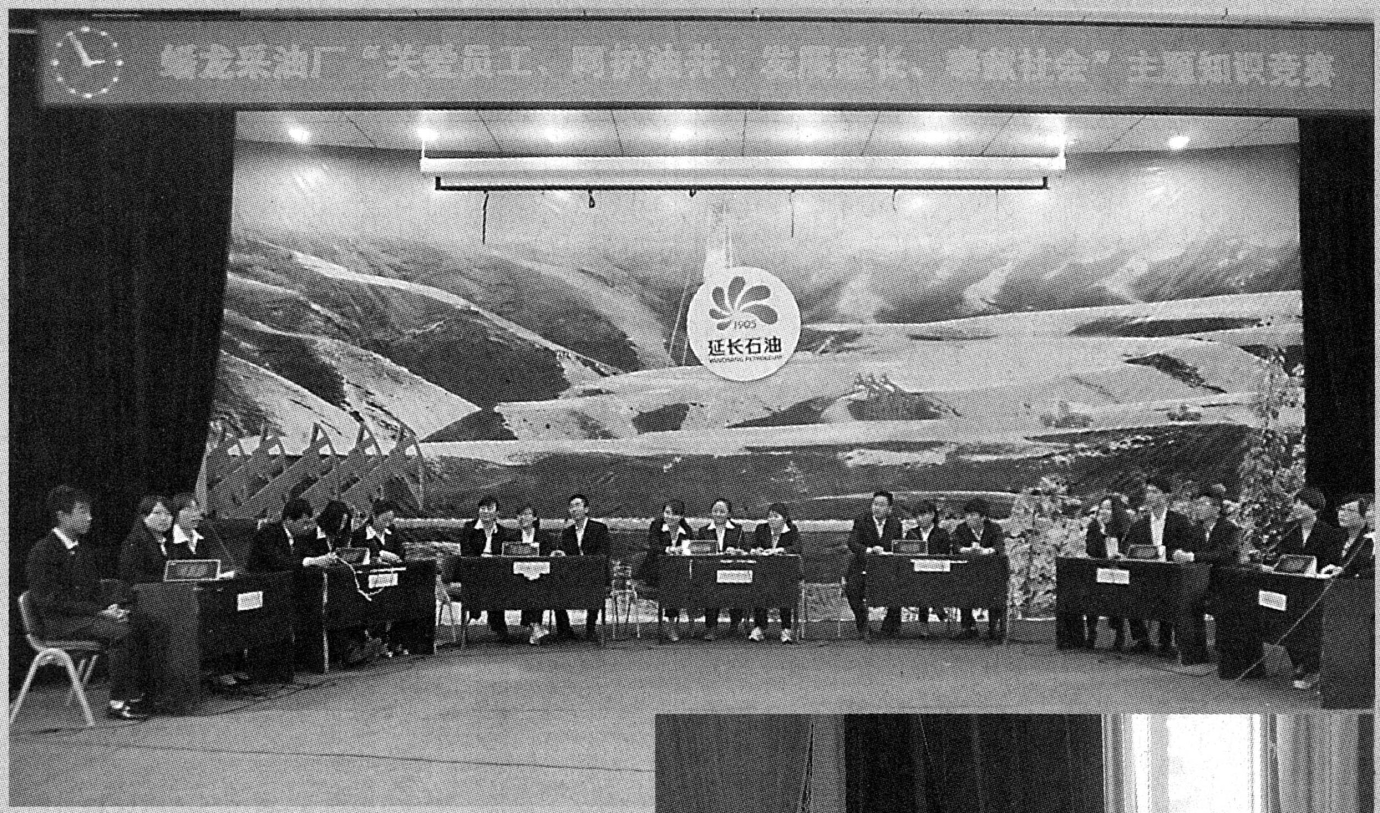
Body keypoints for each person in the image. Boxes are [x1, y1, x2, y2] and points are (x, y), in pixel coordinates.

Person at [27, 486, 166, 719]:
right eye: (82, 511)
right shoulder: (42, 552)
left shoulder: (83, 549)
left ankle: (147, 695)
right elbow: (50, 602)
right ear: (62, 516)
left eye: (89, 511)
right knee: (122, 633)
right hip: (60, 623)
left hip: (87, 617)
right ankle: (118, 702)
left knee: (150, 623)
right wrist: (99, 612)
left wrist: (112, 607)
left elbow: (93, 591)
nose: (89, 517)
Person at [1272, 486, 1347, 689]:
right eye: (1296, 503)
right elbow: (1283, 555)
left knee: (1311, 626)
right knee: (1286, 622)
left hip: (1315, 588)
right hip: (1292, 586)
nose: (1297, 507)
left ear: (1315, 509)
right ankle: (1299, 663)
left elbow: (1331, 560)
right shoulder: (1289, 530)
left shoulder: (1329, 533)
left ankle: (1312, 667)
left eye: (1303, 504)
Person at [1121, 476, 1198, 656]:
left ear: (1165, 496)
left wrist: (1171, 554)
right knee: (1128, 590)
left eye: (1154, 492)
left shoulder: (1179, 521)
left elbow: (1189, 545)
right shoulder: (1139, 524)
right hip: (1145, 574)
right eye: (1148, 492)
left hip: (1171, 573)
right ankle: (1141, 638)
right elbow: (1127, 546)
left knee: (1169, 590)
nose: (1150, 496)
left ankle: (1165, 641)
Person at [553, 493, 612, 642]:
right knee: (553, 587)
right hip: (573, 574)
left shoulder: (599, 529)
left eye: (578, 505)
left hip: (593, 574)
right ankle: (564, 628)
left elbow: (603, 554)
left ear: (586, 509)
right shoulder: (567, 532)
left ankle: (590, 628)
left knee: (595, 584)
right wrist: (560, 554)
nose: (574, 509)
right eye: (571, 507)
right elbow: (566, 554)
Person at [844, 491, 904, 640]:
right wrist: (869, 550)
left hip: (886, 569)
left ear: (889, 508)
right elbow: (852, 543)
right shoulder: (862, 521)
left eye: (882, 505)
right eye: (875, 504)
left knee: (901, 585)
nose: (877, 508)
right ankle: (863, 625)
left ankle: (890, 626)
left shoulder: (895, 524)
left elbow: (898, 546)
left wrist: (887, 552)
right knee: (852, 589)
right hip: (862, 567)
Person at [636, 498, 695, 642]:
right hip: (654, 571)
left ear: (681, 516)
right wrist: (669, 549)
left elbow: (691, 549)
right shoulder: (656, 526)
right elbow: (654, 546)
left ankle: (676, 622)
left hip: (677, 573)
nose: (670, 517)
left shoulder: (687, 530)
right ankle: (671, 625)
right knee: (672, 583)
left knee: (677, 580)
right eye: (667, 513)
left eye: (674, 514)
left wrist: (683, 550)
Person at [950, 498, 1007, 641]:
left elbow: (999, 547)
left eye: (973, 515)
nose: (968, 518)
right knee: (962, 587)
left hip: (990, 572)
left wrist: (985, 551)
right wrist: (966, 550)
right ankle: (968, 627)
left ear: (983, 517)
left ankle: (993, 627)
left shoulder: (994, 528)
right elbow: (955, 545)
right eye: (967, 515)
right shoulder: (961, 529)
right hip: (968, 572)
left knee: (996, 589)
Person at [460, 495, 515, 643]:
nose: (485, 511)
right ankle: (496, 623)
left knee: (498, 581)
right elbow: (466, 552)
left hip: (495, 571)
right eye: (482, 508)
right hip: (474, 570)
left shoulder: (502, 532)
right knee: (491, 582)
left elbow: (504, 554)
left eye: (489, 509)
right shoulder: (469, 528)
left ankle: (497, 624)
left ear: (497, 513)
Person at [1083, 495, 1131, 650]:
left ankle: (1120, 633)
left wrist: (1120, 555)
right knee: (1092, 590)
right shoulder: (1094, 527)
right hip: (1099, 570)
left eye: (1108, 509)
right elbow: (1091, 550)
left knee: (1118, 591)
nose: (1104, 512)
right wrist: (1102, 532)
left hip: (1120, 570)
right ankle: (1091, 632)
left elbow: (1128, 548)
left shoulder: (1124, 528)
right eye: (1102, 508)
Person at [749, 502, 800, 644]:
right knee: (758, 587)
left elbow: (797, 547)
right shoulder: (761, 529)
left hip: (784, 573)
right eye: (769, 516)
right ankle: (760, 626)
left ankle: (786, 628)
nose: (771, 519)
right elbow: (751, 545)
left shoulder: (792, 530)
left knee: (786, 589)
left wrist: (780, 550)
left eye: (776, 516)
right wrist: (756, 550)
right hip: (764, 572)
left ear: (784, 518)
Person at [698, 497, 747, 641]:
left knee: (738, 584)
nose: (718, 514)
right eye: (715, 511)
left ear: (729, 514)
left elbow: (745, 551)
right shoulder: (703, 531)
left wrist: (736, 551)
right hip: (711, 571)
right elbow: (698, 552)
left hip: (732, 570)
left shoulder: (738, 530)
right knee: (710, 586)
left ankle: (735, 624)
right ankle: (711, 627)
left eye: (722, 511)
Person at [901, 499, 951, 639]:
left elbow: (945, 554)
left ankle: (925, 625)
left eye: (923, 515)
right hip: (916, 573)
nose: (919, 519)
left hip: (937, 573)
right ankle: (936, 606)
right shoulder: (911, 533)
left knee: (927, 584)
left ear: (932, 515)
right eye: (917, 516)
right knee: (923, 583)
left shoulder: (942, 533)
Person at [247, 498, 338, 573]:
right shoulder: (268, 532)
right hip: (262, 581)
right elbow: (277, 561)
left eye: (309, 523)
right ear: (289, 520)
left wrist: (325, 558)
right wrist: (310, 561)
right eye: (304, 523)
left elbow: (310, 554)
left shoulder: (300, 537)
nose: (308, 527)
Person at [514, 504, 556, 645]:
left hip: (540, 577)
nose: (523, 518)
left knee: (537, 586)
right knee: (527, 587)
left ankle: (534, 626)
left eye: (527, 514)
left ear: (534, 518)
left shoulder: (544, 537)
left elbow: (548, 558)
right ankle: (536, 626)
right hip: (518, 578)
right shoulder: (511, 537)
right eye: (520, 515)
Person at [118, 495, 174, 586]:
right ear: (144, 517)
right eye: (157, 513)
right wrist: (164, 579)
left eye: (168, 514)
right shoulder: (134, 542)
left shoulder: (171, 542)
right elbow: (130, 576)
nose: (164, 518)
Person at [1322, 494, 1373, 579]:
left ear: (1365, 516)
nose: (1342, 514)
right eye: (1341, 509)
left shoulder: (1371, 539)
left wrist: (1345, 572)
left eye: (1350, 510)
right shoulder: (1334, 535)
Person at [352, 498, 403, 564]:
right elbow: (359, 557)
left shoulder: (393, 532)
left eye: (390, 521)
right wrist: (379, 556)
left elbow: (401, 553)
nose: (387, 524)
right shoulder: (360, 534)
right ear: (374, 516)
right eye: (384, 520)